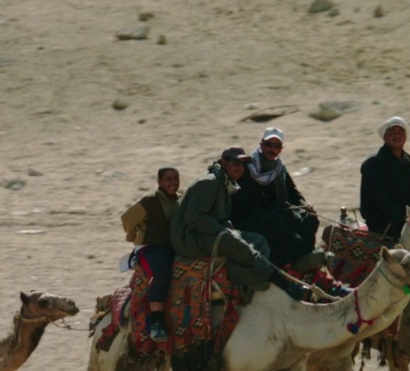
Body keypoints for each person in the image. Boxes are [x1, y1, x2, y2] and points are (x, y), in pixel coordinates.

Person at [170, 147, 310, 301]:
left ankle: (251, 280)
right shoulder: (209, 182)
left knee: (258, 240)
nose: (240, 167)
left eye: (243, 164)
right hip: (188, 238)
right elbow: (193, 218)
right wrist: (222, 230)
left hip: (203, 231)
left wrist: (226, 228)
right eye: (236, 162)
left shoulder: (225, 184)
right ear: (224, 162)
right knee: (236, 243)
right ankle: (279, 282)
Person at [231, 127, 325, 272]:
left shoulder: (279, 168)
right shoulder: (247, 167)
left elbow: (293, 193)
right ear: (261, 145)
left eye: (276, 146)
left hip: (276, 212)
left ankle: (305, 257)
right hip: (249, 217)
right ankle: (294, 261)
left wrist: (304, 206)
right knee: (277, 225)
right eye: (269, 145)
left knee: (311, 219)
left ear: (280, 149)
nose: (272, 149)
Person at [120, 166, 180, 342]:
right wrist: (134, 236)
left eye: (176, 179)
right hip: (151, 249)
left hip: (172, 248)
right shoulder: (150, 201)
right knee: (163, 272)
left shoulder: (180, 201)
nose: (173, 183)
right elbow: (127, 218)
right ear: (159, 182)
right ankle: (156, 322)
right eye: (168, 179)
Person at [359, 116, 410, 238]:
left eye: (401, 132)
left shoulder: (407, 160)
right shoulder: (374, 163)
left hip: (407, 216)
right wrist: (407, 215)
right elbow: (379, 199)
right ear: (384, 136)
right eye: (392, 132)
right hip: (385, 223)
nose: (397, 135)